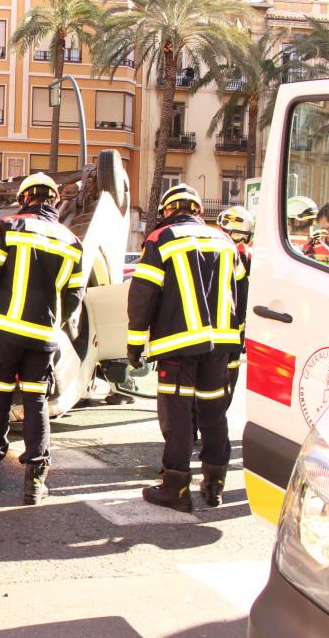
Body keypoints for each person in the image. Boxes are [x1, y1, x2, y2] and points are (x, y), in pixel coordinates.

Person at [0, 173, 85, 506]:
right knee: (36, 404)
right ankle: (35, 482)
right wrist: (55, 323)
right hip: (43, 339)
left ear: (25, 198)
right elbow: (75, 295)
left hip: (4, 334)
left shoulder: (10, 228)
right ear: (54, 201)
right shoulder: (71, 240)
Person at [127, 184, 243, 512]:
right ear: (196, 210)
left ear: (167, 211)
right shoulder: (225, 241)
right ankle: (215, 485)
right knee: (213, 413)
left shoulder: (161, 239)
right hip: (220, 344)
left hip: (178, 346)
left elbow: (143, 295)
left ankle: (176, 487)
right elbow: (239, 290)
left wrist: (135, 344)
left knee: (177, 415)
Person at [216, 206, 254, 408]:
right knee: (228, 377)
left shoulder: (218, 250)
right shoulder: (249, 256)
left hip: (213, 326)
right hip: (236, 330)